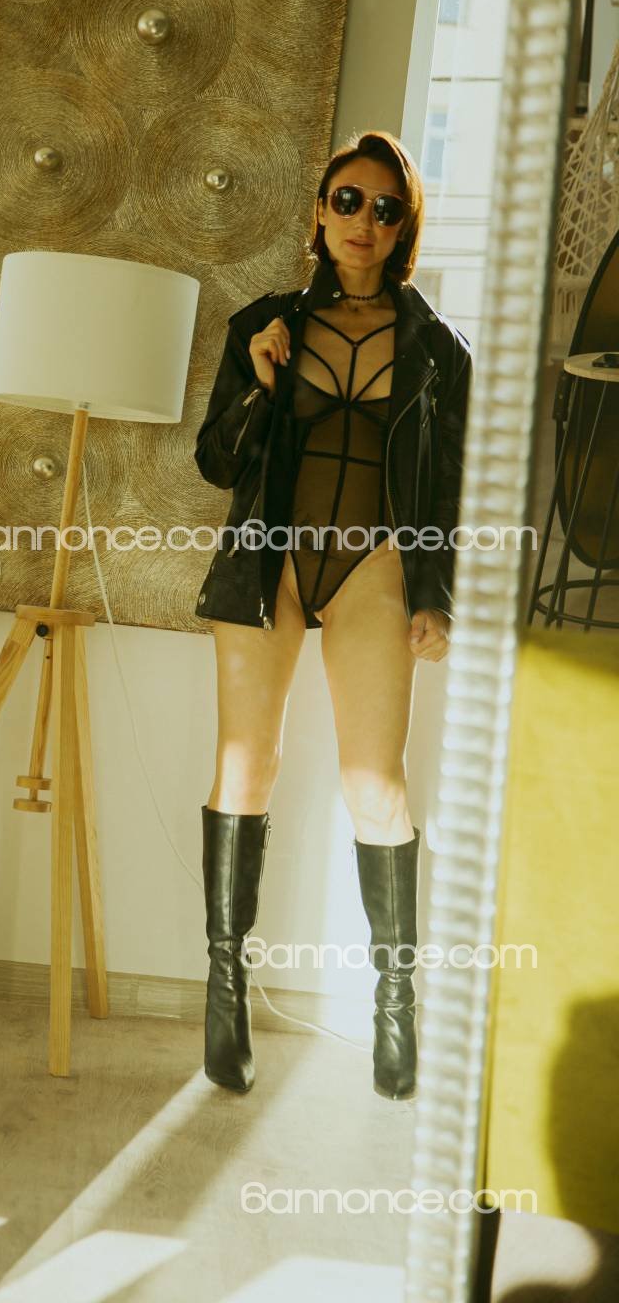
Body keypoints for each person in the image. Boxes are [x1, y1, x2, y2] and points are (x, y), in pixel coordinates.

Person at [193, 130, 473, 1098]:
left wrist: (434, 597)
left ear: (403, 229)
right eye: (347, 200)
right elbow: (216, 463)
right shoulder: (263, 326)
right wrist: (261, 386)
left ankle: (395, 1010)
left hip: (372, 566)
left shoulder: (438, 352)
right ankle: (225, 996)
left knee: (376, 786)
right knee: (246, 767)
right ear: (320, 212)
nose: (364, 221)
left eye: (386, 209)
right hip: (267, 561)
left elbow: (445, 491)